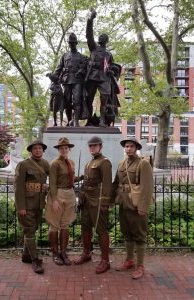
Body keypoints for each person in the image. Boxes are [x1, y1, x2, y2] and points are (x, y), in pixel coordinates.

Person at [112, 137, 154, 279]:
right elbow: (116, 184)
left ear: (136, 148)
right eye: (127, 146)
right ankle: (129, 260)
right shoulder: (121, 163)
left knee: (140, 236)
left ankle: (140, 265)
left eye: (131, 146)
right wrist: (111, 201)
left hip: (136, 205)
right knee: (127, 233)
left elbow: (147, 188)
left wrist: (143, 207)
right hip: (124, 205)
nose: (128, 148)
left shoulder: (143, 164)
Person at [74, 136, 112, 274]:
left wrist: (105, 202)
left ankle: (105, 260)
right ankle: (87, 253)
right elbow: (86, 181)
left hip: (97, 200)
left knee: (101, 229)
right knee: (85, 227)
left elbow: (107, 184)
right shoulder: (89, 163)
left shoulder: (104, 162)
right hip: (86, 199)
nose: (92, 148)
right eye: (90, 146)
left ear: (100, 146)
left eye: (95, 146)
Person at [45, 137, 82, 265]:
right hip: (58, 193)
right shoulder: (54, 164)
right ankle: (55, 253)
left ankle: (63, 252)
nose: (64, 150)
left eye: (66, 148)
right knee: (55, 224)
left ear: (69, 149)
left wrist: (81, 177)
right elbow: (53, 183)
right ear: (58, 150)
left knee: (65, 224)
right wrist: (54, 200)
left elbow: (71, 178)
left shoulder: (71, 162)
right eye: (62, 148)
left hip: (70, 193)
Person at [14, 140, 50, 274]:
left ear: (43, 150)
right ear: (31, 151)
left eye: (40, 148)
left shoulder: (46, 164)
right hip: (27, 204)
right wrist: (21, 206)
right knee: (29, 230)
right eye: (35, 148)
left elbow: (56, 177)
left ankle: (26, 256)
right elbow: (18, 187)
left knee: (33, 229)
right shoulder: (23, 165)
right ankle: (35, 260)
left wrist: (72, 178)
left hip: (39, 203)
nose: (38, 150)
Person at [85, 9, 114, 127]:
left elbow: (112, 67)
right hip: (92, 75)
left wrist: (111, 70)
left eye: (103, 37)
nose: (101, 37)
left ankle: (102, 120)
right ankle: (88, 119)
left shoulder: (109, 55)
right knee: (89, 99)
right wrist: (90, 20)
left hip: (104, 77)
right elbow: (89, 35)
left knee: (104, 99)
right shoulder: (93, 47)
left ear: (106, 41)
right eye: (100, 36)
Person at [52, 33, 87, 127]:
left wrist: (81, 71)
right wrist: (54, 78)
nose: (71, 44)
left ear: (76, 43)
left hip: (78, 81)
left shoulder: (81, 56)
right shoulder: (65, 56)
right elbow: (59, 68)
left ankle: (76, 121)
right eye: (70, 43)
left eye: (73, 43)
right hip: (67, 81)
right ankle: (69, 120)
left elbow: (85, 69)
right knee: (67, 102)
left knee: (76, 100)